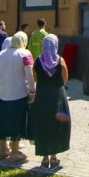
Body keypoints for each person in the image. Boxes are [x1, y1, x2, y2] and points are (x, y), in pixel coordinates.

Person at [0, 32, 36, 163]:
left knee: (3, 120)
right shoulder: (25, 53)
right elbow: (29, 74)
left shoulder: (1, 54)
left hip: (4, 94)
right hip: (20, 94)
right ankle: (15, 152)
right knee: (18, 122)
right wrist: (32, 91)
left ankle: (3, 149)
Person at [30, 34, 71, 169]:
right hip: (57, 96)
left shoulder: (37, 61)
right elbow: (65, 78)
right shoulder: (61, 61)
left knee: (43, 124)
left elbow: (35, 78)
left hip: (42, 97)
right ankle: (54, 157)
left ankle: (44, 157)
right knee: (57, 125)